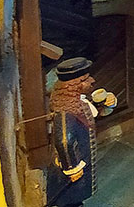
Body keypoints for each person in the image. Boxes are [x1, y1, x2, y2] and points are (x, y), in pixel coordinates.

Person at [46, 57, 115, 207]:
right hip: (72, 164)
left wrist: (106, 104)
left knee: (76, 195)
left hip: (81, 159)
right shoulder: (65, 113)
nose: (92, 80)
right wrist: (72, 168)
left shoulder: (78, 102)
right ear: (73, 86)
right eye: (85, 79)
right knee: (69, 196)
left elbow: (92, 115)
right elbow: (64, 141)